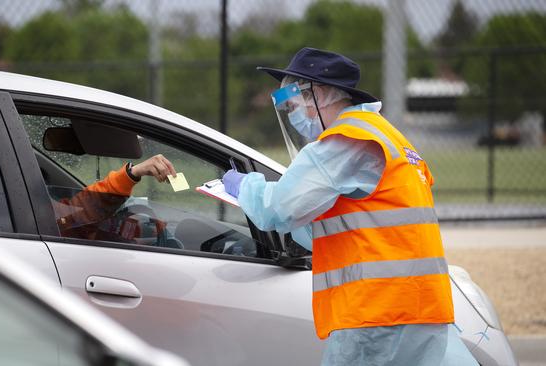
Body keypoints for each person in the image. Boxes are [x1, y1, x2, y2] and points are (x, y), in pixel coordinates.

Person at [222, 48, 478, 365]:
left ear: (320, 94)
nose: (294, 113)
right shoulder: (387, 135)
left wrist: (244, 186)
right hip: (420, 308)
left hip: (378, 314)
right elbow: (350, 226)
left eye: (296, 101)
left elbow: (276, 209)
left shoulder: (345, 141)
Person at [53, 154, 176, 240]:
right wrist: (132, 174)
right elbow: (75, 216)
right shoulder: (48, 221)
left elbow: (75, 216)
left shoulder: (44, 217)